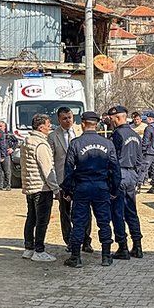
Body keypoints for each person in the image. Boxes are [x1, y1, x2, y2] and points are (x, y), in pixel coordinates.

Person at [61, 111, 121, 268]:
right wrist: (114, 190)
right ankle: (106, 256)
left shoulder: (75, 143)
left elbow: (68, 169)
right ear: (97, 124)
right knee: (104, 222)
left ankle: (76, 257)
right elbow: (115, 169)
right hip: (101, 187)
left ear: (82, 124)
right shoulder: (108, 144)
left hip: (82, 187)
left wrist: (67, 190)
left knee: (79, 222)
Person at [48, 107, 93, 253]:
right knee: (65, 212)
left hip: (82, 179)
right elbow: (51, 162)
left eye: (70, 117)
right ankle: (69, 240)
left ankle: (86, 241)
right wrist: (56, 184)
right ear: (59, 119)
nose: (68, 121)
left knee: (85, 210)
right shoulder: (53, 136)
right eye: (64, 118)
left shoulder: (81, 132)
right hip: (63, 180)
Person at [20, 113, 60, 262]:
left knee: (31, 218)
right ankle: (39, 250)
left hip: (30, 186)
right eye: (48, 124)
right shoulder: (41, 144)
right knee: (42, 221)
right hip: (42, 188)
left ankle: (28, 248)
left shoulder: (27, 141)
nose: (50, 127)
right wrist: (56, 189)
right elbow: (47, 169)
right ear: (41, 126)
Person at [108, 105, 144, 259]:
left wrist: (111, 181)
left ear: (117, 117)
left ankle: (122, 246)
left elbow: (112, 159)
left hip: (120, 174)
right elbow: (139, 159)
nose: (110, 122)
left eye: (111, 119)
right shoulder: (135, 135)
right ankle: (137, 245)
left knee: (117, 212)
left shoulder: (117, 135)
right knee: (131, 212)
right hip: (132, 175)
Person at [138, 112, 154, 193]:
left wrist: (143, 150)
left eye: (147, 118)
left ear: (150, 119)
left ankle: (138, 185)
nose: (146, 120)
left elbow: (146, 140)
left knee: (143, 168)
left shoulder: (149, 128)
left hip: (149, 151)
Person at [0, 120, 18, 191]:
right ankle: (0, 185)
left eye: (1, 126)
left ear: (4, 127)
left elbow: (16, 141)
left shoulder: (9, 134)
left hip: (6, 154)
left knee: (7, 171)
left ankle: (8, 185)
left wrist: (12, 149)